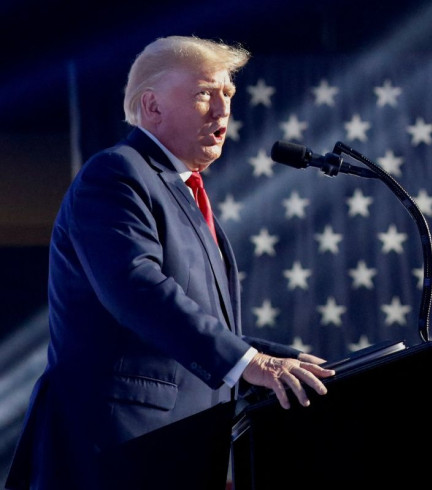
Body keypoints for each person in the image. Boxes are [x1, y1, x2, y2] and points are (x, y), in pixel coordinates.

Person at [5, 35, 335, 490]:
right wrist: (249, 362)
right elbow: (137, 289)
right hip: (119, 448)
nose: (222, 111)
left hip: (182, 448)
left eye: (228, 95)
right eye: (204, 94)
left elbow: (191, 319)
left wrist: (282, 359)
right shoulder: (117, 174)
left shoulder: (181, 190)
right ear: (152, 107)